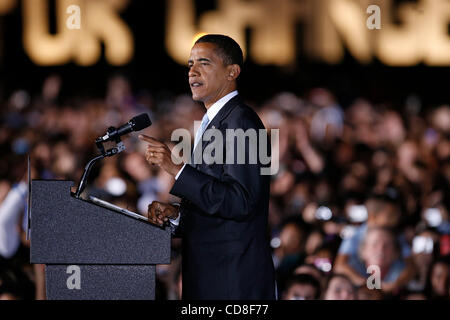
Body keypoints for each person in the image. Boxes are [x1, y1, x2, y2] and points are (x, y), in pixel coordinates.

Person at [139, 34, 276, 299]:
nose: (192, 71)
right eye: (190, 64)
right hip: (213, 275)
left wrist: (176, 168)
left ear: (232, 72)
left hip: (232, 281)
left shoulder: (241, 121)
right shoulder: (215, 122)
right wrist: (178, 214)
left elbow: (241, 201)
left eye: (204, 62)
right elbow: (219, 200)